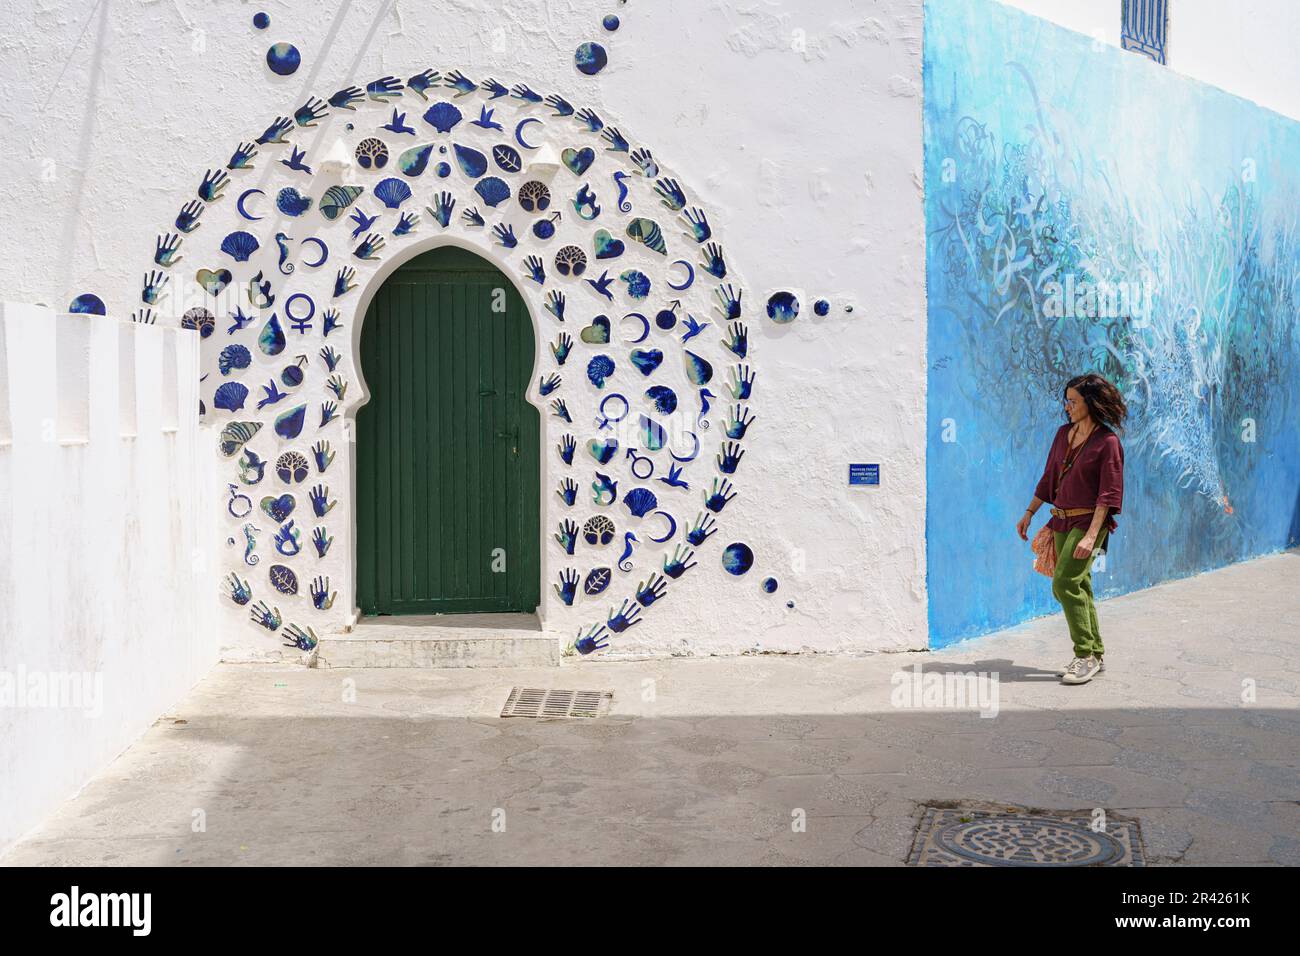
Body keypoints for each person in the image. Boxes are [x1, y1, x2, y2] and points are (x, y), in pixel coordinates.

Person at [1015, 373, 1127, 685]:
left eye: (1074, 401)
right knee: (1081, 584)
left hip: (1089, 522)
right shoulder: (1063, 434)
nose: (1068, 407)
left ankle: (1084, 655)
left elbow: (1109, 494)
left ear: (1090, 403)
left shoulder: (1108, 443)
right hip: (1061, 520)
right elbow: (1049, 477)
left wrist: (1092, 536)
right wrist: (1029, 513)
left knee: (1064, 583)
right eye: (1067, 401)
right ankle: (1096, 651)